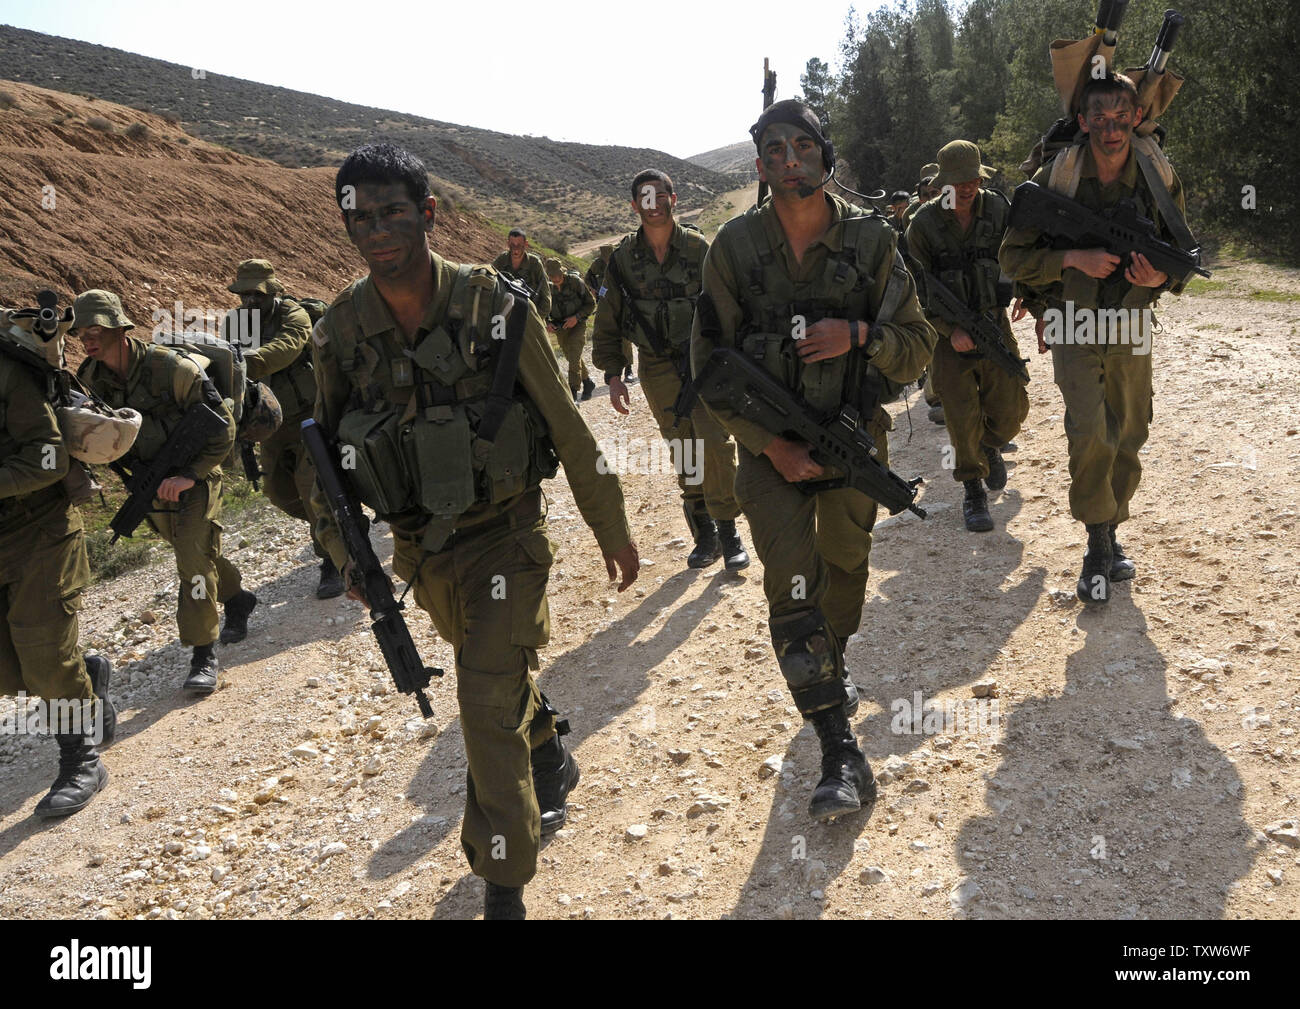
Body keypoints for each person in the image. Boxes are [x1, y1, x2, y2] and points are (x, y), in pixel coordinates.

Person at [309, 143, 639, 919]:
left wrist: (611, 527)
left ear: (428, 213)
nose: (378, 229)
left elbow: (568, 425)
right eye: (361, 215)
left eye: (394, 211)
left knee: (481, 699)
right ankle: (548, 743)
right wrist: (341, 550)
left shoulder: (496, 305)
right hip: (422, 553)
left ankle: (502, 881)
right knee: (496, 681)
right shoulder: (340, 332)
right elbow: (320, 460)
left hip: (507, 535)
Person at [692, 100, 935, 819]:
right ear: (761, 165)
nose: (790, 157)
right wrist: (771, 445)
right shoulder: (732, 249)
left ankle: (833, 657)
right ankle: (838, 745)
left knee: (844, 581)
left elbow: (917, 344)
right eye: (775, 148)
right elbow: (709, 364)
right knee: (793, 590)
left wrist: (858, 333)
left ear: (826, 158)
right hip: (769, 462)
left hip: (852, 446)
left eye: (803, 145)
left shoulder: (872, 244)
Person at [1000, 72, 1189, 604]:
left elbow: (1180, 249)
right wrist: (1071, 259)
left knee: (1130, 431)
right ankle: (1097, 542)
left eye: (1121, 118)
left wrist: (1161, 278)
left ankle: (1113, 523)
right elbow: (1011, 258)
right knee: (1089, 431)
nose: (1111, 130)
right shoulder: (1058, 177)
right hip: (1072, 322)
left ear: (1134, 117)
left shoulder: (1155, 173)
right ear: (1083, 122)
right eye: (1100, 119)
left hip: (1130, 320)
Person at [75, 290, 255, 694]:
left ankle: (203, 653)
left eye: (95, 330)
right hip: (150, 480)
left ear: (119, 328)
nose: (86, 339)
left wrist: (191, 474)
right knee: (195, 552)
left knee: (192, 555)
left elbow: (222, 425)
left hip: (195, 473)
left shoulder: (171, 368)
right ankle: (238, 598)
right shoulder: (90, 378)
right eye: (81, 332)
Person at [591, 168, 748, 571]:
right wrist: (613, 373)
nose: (653, 204)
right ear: (633, 205)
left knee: (714, 441)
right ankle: (704, 534)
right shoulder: (623, 259)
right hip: (658, 367)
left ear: (673, 199)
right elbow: (609, 319)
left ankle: (728, 531)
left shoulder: (699, 249)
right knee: (683, 445)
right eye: (644, 197)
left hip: (703, 360)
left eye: (660, 196)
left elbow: (729, 303)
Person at [0, 298, 114, 817]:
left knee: (44, 653)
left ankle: (81, 759)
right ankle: (86, 676)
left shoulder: (8, 376)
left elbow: (47, 457)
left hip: (38, 532)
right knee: (9, 666)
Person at [907, 140, 1028, 533]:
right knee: (959, 417)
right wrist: (948, 329)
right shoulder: (922, 226)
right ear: (943, 183)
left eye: (973, 179)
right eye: (959, 182)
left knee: (1012, 411)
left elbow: (1017, 254)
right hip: (947, 339)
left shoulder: (997, 209)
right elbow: (913, 292)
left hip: (993, 323)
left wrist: (1026, 291)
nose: (967, 188)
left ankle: (990, 446)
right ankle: (972, 490)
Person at [223, 260, 343, 598]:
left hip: (312, 414)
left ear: (273, 291)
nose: (249, 301)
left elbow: (287, 347)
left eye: (256, 294)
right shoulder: (236, 323)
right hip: (271, 423)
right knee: (279, 492)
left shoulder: (295, 314)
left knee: (310, 486)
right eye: (243, 294)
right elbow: (229, 371)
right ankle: (335, 528)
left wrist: (245, 363)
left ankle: (332, 559)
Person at [543, 256, 596, 402]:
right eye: (552, 276)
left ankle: (573, 393)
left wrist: (576, 317)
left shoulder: (575, 282)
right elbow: (542, 309)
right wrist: (547, 322)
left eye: (558, 275)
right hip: (560, 328)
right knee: (573, 356)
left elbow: (591, 304)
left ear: (563, 272)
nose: (556, 279)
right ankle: (588, 382)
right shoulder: (547, 287)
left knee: (573, 358)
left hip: (577, 324)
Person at [584, 244, 634, 381]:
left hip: (622, 303)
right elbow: (588, 278)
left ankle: (629, 369)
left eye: (609, 259)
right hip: (604, 303)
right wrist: (593, 290)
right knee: (606, 334)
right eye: (605, 259)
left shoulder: (620, 262)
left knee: (624, 338)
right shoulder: (597, 265)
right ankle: (612, 370)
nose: (607, 262)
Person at [492, 228, 552, 319]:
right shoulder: (501, 260)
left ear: (526, 244)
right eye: (512, 245)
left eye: (519, 245)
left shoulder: (535, 263)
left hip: (530, 315)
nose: (516, 249)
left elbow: (546, 298)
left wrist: (536, 318)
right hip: (504, 315)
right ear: (508, 244)